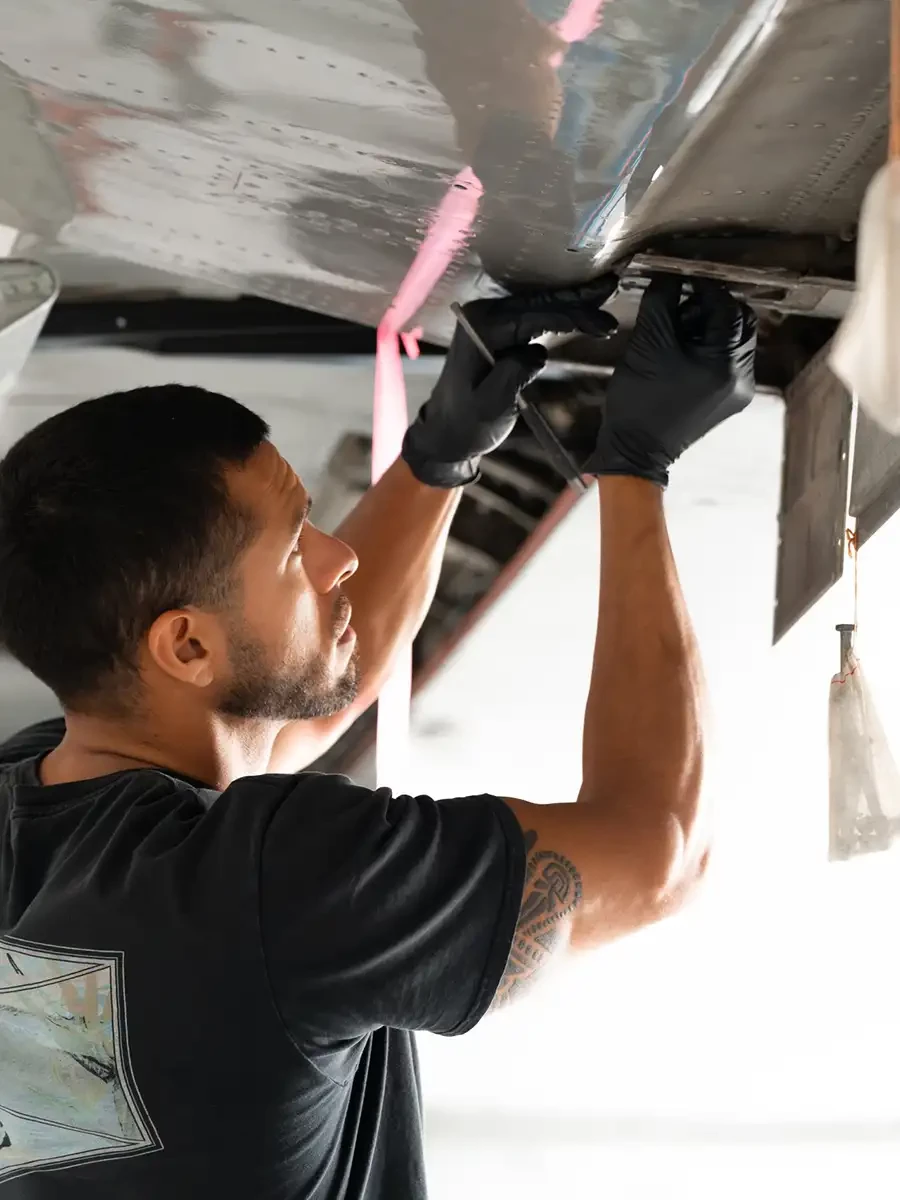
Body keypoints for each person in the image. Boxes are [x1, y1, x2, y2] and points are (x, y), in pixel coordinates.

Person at [0, 273, 756, 1198]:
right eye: (293, 550)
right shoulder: (276, 888)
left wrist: (441, 454)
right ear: (185, 644)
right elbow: (656, 857)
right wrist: (635, 466)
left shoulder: (42, 805)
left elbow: (302, 709)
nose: (337, 557)